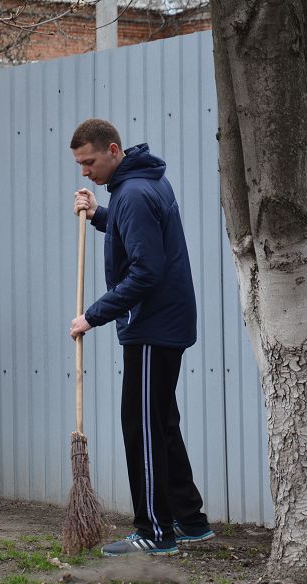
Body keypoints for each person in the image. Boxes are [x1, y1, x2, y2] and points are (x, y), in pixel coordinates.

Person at [68, 119, 213, 557]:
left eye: (89, 162)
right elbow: (138, 237)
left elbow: (146, 271)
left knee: (142, 427)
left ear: (113, 150)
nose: (85, 171)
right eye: (79, 164)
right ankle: (189, 520)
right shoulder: (142, 184)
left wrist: (92, 316)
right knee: (161, 423)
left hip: (152, 326)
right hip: (164, 323)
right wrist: (100, 215)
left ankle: (153, 530)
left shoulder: (132, 193)